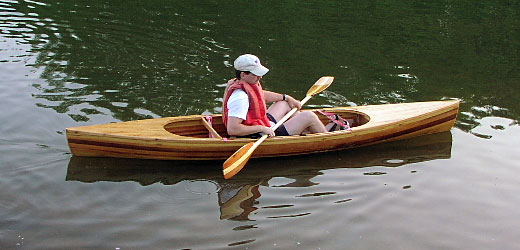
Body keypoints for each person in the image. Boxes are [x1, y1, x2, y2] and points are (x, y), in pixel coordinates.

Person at [222, 54, 329, 138]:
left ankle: (304, 129)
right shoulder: (240, 97)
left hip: (262, 124)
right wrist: (262, 128)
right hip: (258, 135)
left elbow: (260, 95)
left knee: (285, 103)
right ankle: (327, 138)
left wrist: (287, 97)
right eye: (255, 74)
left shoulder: (245, 83)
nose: (260, 77)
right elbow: (233, 129)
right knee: (309, 116)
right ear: (243, 74)